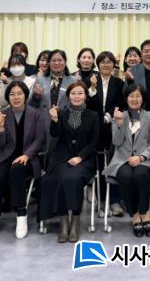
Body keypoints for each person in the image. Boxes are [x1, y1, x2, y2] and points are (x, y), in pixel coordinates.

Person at [0, 81, 46, 239]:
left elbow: (40, 139)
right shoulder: (3, 114)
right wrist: (0, 128)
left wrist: (27, 154)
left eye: (19, 94)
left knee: (17, 169)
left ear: (26, 96)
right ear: (8, 97)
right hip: (5, 156)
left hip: (28, 158)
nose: (16, 97)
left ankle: (21, 215)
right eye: (12, 94)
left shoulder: (36, 114)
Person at [38, 82, 99, 243]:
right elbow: (55, 134)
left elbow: (94, 142)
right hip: (62, 157)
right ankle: (63, 221)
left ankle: (75, 221)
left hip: (84, 159)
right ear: (68, 96)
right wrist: (54, 120)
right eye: (73, 93)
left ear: (85, 96)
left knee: (72, 178)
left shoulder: (93, 115)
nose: (76, 96)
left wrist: (80, 157)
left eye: (80, 93)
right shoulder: (62, 113)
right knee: (51, 179)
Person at [103, 84, 150, 237]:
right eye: (131, 96)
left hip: (145, 160)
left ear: (143, 99)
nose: (134, 99)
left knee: (141, 174)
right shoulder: (119, 115)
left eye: (138, 96)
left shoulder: (149, 116)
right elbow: (116, 142)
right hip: (122, 159)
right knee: (126, 175)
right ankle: (134, 214)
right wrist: (119, 124)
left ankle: (144, 213)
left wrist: (141, 157)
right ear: (126, 98)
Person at [87, 51, 125, 217]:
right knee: (98, 164)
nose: (106, 65)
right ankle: (100, 200)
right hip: (94, 127)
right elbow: (87, 103)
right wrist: (92, 88)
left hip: (113, 126)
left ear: (113, 65)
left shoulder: (119, 82)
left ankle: (115, 200)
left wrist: (108, 116)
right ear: (98, 64)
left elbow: (121, 103)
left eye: (109, 62)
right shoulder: (91, 80)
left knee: (113, 162)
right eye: (103, 62)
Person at [30, 49, 76, 120]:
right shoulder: (40, 79)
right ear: (49, 63)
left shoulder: (73, 80)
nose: (56, 63)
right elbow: (32, 104)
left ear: (65, 61)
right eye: (53, 60)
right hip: (44, 120)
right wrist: (36, 96)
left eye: (60, 60)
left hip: (65, 120)